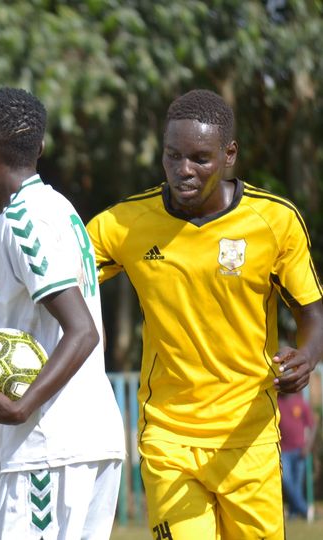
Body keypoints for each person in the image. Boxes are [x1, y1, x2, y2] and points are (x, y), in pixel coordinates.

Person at [86, 89, 323, 539]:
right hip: (168, 437)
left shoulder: (274, 221)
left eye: (199, 158)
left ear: (229, 154)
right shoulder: (124, 224)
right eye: (173, 156)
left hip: (248, 437)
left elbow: (313, 311)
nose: (183, 171)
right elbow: (53, 277)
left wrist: (307, 358)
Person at [0, 87, 126, 539]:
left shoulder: (22, 222)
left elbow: (81, 331)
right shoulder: (59, 209)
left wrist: (20, 407)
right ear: (41, 148)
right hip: (88, 441)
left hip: (49, 447)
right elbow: (34, 329)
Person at [278, 391, 318, 520]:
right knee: (287, 481)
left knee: (296, 485)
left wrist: (308, 447)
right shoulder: (277, 401)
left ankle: (294, 513)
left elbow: (312, 425)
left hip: (300, 451)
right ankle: (306, 510)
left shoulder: (300, 402)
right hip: (283, 451)